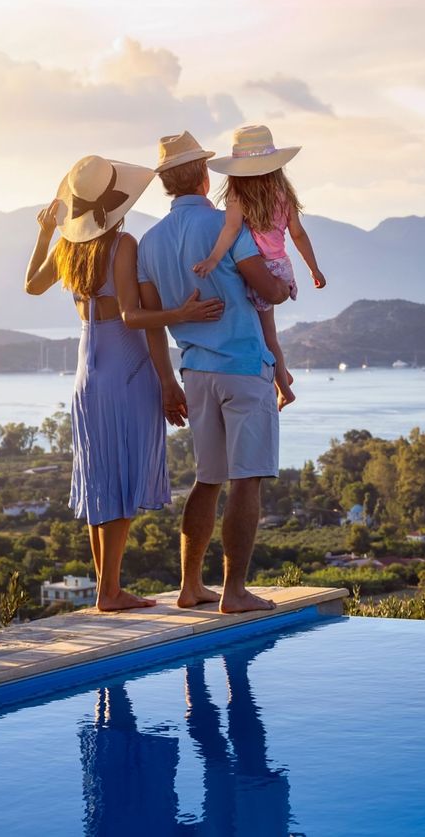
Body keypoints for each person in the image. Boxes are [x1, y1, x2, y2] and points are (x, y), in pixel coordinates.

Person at [24, 154, 222, 611]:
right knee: (124, 476)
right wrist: (182, 314)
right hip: (125, 368)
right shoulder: (124, 244)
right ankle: (110, 591)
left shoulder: (69, 250)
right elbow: (135, 317)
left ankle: (106, 589)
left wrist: (45, 231)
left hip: (86, 371)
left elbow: (32, 285)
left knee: (101, 479)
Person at [136, 131, 291, 614]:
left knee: (207, 480)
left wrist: (167, 383)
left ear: (166, 184)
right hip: (244, 368)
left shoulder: (149, 243)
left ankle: (189, 586)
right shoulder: (226, 224)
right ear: (205, 175)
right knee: (247, 480)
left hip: (194, 372)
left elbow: (153, 325)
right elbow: (266, 286)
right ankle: (235, 591)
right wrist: (284, 285)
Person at [194, 124, 326, 410]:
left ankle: (284, 389)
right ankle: (283, 371)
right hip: (281, 267)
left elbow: (229, 232)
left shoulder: (238, 197)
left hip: (256, 271)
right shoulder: (283, 195)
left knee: (264, 335)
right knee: (268, 332)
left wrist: (213, 260)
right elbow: (298, 235)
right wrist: (314, 270)